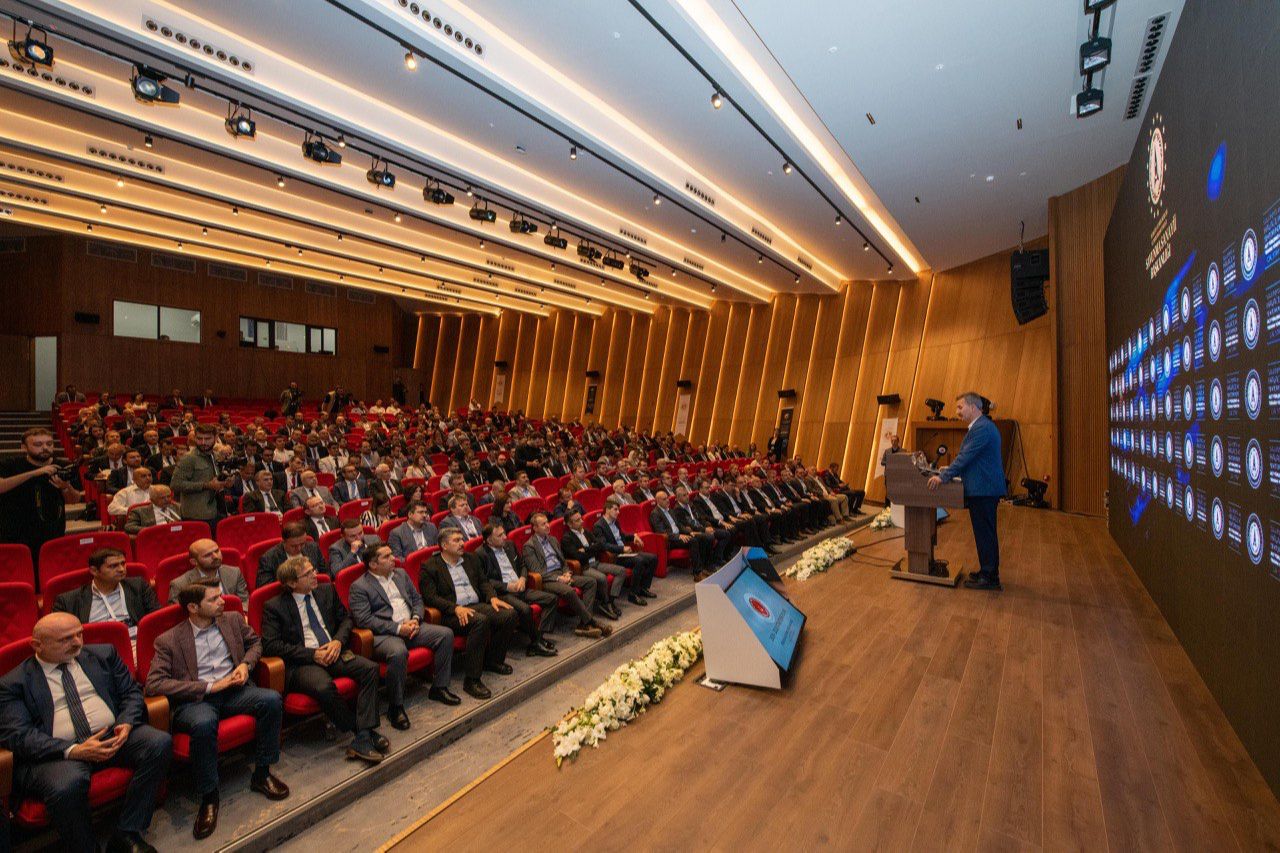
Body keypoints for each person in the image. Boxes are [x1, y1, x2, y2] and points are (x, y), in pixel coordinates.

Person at [0, 612, 172, 853]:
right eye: (65, 639)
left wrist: (126, 723)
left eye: (79, 634)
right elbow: (19, 735)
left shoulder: (103, 655)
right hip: (59, 753)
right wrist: (73, 750)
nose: (77, 642)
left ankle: (127, 832)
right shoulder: (13, 683)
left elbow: (132, 693)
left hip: (112, 735)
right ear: (37, 645)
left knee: (159, 743)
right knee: (66, 786)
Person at [145, 582, 289, 838]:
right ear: (192, 607)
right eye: (213, 599)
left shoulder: (232, 620)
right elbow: (155, 683)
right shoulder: (169, 640)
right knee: (202, 725)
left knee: (271, 701)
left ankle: (263, 772)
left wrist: (245, 665)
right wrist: (210, 686)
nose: (222, 601)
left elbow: (256, 643)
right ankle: (209, 796)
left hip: (235, 691)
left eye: (220, 596)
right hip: (198, 700)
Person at [261, 556, 385, 763]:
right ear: (291, 583)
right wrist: (312, 654)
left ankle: (362, 735)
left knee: (370, 669)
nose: (314, 575)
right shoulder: (275, 606)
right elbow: (271, 645)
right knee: (323, 687)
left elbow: (346, 619)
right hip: (304, 661)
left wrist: (337, 642)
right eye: (307, 574)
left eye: (313, 570)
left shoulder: (326, 590)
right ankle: (359, 731)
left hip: (333, 650)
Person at [348, 543, 460, 728]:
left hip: (413, 626)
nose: (394, 558)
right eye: (387, 556)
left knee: (446, 634)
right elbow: (364, 620)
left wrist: (416, 618)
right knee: (398, 652)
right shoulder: (359, 586)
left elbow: (417, 599)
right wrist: (399, 629)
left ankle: (439, 687)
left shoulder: (400, 574)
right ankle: (396, 707)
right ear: (373, 565)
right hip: (384, 635)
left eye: (392, 554)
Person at [418, 529, 517, 700]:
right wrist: (455, 608)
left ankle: (492, 660)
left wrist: (492, 597)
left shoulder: (470, 559)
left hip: (476, 604)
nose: (462, 543)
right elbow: (430, 597)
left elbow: (483, 582)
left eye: (462, 539)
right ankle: (472, 679)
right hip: (451, 613)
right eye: (456, 540)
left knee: (509, 613)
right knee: (481, 622)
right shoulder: (430, 566)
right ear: (444, 545)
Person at [928, 392, 1006, 590]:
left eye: (960, 407)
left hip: (984, 489)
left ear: (973, 407)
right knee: (983, 533)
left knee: (985, 534)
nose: (957, 412)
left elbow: (965, 457)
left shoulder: (981, 429)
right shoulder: (982, 427)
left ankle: (990, 577)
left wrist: (942, 477)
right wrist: (950, 471)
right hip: (982, 489)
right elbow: (972, 460)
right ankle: (987, 571)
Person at [0, 427, 81, 568]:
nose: (45, 448)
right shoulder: (10, 464)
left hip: (52, 531)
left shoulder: (63, 466)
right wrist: (35, 473)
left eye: (49, 444)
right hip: (14, 532)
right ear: (23, 448)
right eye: (38, 445)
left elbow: (74, 499)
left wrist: (65, 487)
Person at [521, 513, 612, 638]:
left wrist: (567, 573)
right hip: (548, 580)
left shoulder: (552, 539)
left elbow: (563, 561)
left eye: (547, 522)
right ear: (535, 528)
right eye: (543, 524)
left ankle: (583, 623)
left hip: (561, 574)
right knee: (569, 591)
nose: (548, 526)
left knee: (591, 582)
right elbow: (538, 572)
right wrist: (559, 578)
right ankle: (591, 622)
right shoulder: (529, 546)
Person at [52, 548, 159, 649]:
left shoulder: (138, 586)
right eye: (113, 566)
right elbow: (59, 637)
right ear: (94, 571)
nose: (121, 569)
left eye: (123, 563)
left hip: (135, 644)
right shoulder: (68, 600)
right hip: (94, 651)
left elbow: (156, 618)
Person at [479, 523, 560, 655]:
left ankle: (538, 638)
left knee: (551, 599)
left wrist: (523, 578)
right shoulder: (481, 554)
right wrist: (506, 586)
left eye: (504, 533)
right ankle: (537, 642)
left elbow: (523, 565)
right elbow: (485, 581)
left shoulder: (510, 545)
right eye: (500, 536)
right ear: (489, 540)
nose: (504, 537)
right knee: (525, 609)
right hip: (503, 593)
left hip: (521, 586)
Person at [559, 509, 625, 620]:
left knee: (621, 571)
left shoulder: (586, 532)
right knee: (602, 578)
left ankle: (611, 601)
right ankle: (605, 603)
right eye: (577, 520)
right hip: (584, 567)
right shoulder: (567, 538)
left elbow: (600, 545)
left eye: (581, 518)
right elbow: (579, 557)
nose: (582, 521)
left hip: (596, 562)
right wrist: (592, 549)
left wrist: (586, 549)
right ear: (570, 524)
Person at [594, 498, 657, 606]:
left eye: (618, 510)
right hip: (615, 556)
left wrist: (634, 536)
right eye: (615, 509)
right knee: (639, 561)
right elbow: (603, 545)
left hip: (625, 552)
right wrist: (621, 549)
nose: (618, 512)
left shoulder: (615, 522)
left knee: (653, 557)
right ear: (607, 510)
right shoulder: (599, 525)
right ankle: (633, 594)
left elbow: (622, 536)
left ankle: (643, 588)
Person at [170, 423, 226, 531]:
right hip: (195, 515)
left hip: (214, 511)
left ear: (216, 438)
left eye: (208, 439)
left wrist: (226, 483)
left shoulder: (214, 455)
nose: (203, 442)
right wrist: (207, 485)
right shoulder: (189, 458)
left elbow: (215, 480)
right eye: (199, 439)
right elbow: (175, 485)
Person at [168, 539, 250, 608]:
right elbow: (179, 617)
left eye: (217, 551)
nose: (215, 556)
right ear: (194, 562)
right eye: (207, 555)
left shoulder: (234, 572)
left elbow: (244, 601)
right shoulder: (180, 585)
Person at [649, 490, 712, 574]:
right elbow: (661, 532)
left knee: (703, 537)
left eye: (667, 498)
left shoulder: (670, 510)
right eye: (664, 499)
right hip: (671, 540)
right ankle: (697, 573)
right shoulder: (655, 514)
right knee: (693, 541)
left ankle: (704, 566)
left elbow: (679, 525)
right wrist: (678, 536)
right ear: (658, 501)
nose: (668, 500)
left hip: (680, 535)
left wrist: (689, 533)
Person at [257, 522, 325, 590]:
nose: (299, 548)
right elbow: (266, 589)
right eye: (294, 546)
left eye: (302, 544)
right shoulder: (269, 558)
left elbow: (325, 572)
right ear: (283, 542)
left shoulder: (313, 548)